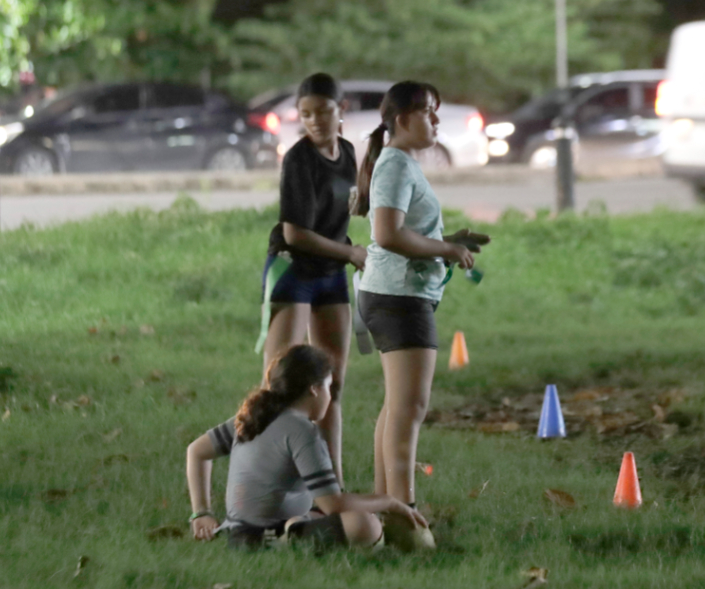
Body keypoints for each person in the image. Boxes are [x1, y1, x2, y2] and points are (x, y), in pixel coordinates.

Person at [352, 81, 489, 539]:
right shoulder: (394, 164)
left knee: (397, 405)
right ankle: (405, 515)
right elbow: (387, 234)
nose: (435, 121)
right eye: (429, 112)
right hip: (398, 297)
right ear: (402, 118)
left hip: (394, 293)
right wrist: (444, 250)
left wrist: (449, 242)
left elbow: (404, 230)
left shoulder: (398, 162)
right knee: (410, 407)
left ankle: (381, 509)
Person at [186, 344, 427, 548]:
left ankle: (294, 529)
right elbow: (332, 504)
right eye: (328, 387)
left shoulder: (255, 415)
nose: (330, 397)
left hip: (236, 531)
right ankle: (290, 540)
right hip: (262, 537)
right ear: (314, 388)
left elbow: (195, 451)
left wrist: (202, 513)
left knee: (324, 514)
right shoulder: (303, 431)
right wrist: (388, 502)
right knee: (365, 524)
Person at [257, 73, 364, 485]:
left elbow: (360, 206)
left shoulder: (351, 153)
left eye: (324, 111)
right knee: (280, 384)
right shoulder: (299, 159)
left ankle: (330, 484)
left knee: (331, 384)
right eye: (306, 114)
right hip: (294, 269)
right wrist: (353, 252)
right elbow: (295, 233)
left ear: (342, 111)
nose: (315, 120)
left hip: (331, 272)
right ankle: (265, 480)